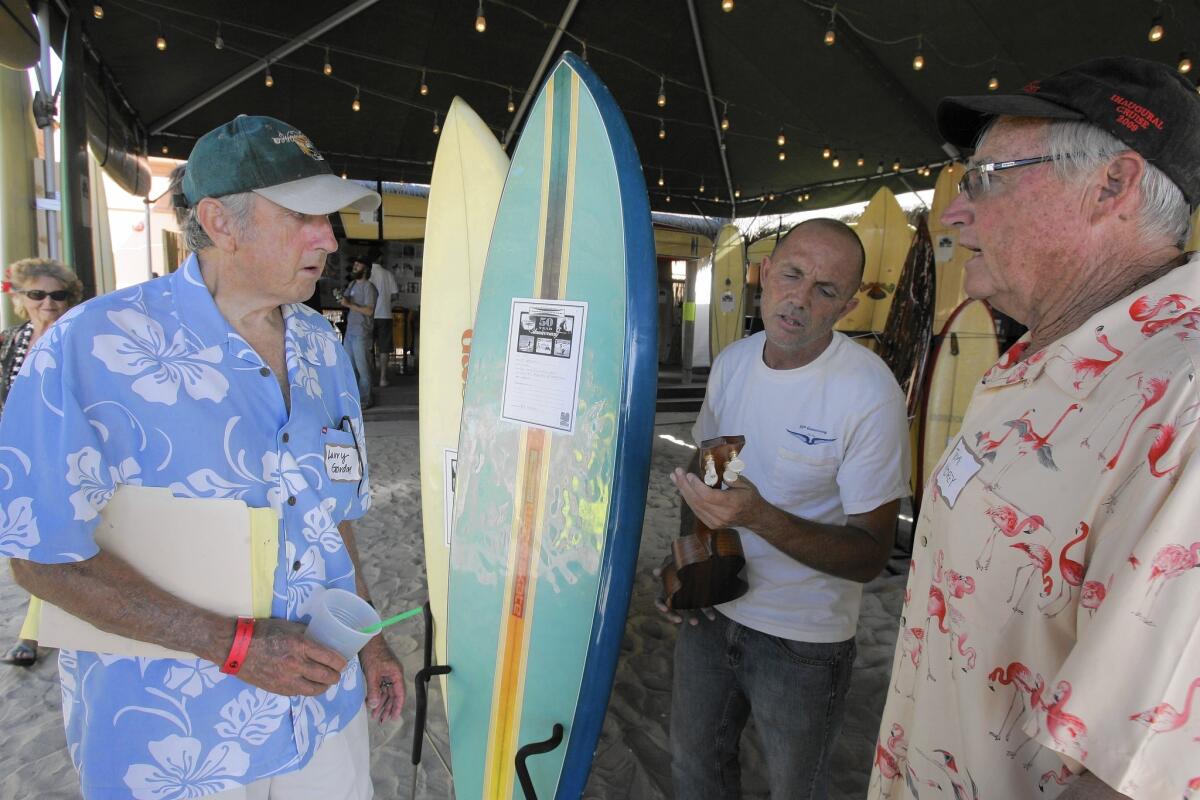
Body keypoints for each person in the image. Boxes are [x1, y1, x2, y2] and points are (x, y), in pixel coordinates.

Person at [0, 115, 404, 799]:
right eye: (304, 218)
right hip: (175, 735)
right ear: (220, 222)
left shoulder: (320, 347)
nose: (329, 240)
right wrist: (236, 644)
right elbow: (41, 558)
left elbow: (332, 519)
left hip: (321, 712)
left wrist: (369, 640)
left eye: (330, 220)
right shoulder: (92, 347)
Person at [870, 57, 1200, 800]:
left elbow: (1134, 776)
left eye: (988, 177)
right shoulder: (1040, 353)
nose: (955, 212)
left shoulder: (1182, 407)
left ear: (1111, 186)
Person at [660, 218, 910, 799]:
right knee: (695, 771)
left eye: (825, 290)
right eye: (792, 274)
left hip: (804, 642)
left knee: (797, 789)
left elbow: (872, 555)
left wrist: (758, 516)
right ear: (765, 274)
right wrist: (688, 567)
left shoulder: (869, 394)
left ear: (847, 307)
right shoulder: (734, 362)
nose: (799, 299)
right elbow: (708, 468)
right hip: (715, 609)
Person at [0, 257, 82, 667]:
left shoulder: (78, 339)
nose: (48, 302)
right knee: (25, 544)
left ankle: (31, 634)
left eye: (58, 294)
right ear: (22, 298)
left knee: (44, 544)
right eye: (38, 294)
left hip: (63, 458)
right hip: (20, 457)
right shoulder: (11, 341)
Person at [341, 256, 378, 408]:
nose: (355, 267)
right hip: (350, 332)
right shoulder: (352, 284)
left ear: (366, 269)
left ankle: (365, 399)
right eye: (354, 264)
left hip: (362, 332)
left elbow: (369, 311)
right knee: (349, 368)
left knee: (363, 368)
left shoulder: (369, 287)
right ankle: (353, 399)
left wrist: (349, 304)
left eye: (358, 265)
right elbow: (345, 299)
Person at [367, 260, 397, 385]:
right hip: (385, 315)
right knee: (384, 348)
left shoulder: (367, 274)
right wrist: (385, 301)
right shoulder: (387, 274)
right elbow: (395, 295)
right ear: (380, 258)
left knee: (368, 347)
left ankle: (368, 378)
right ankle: (383, 378)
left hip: (368, 315)